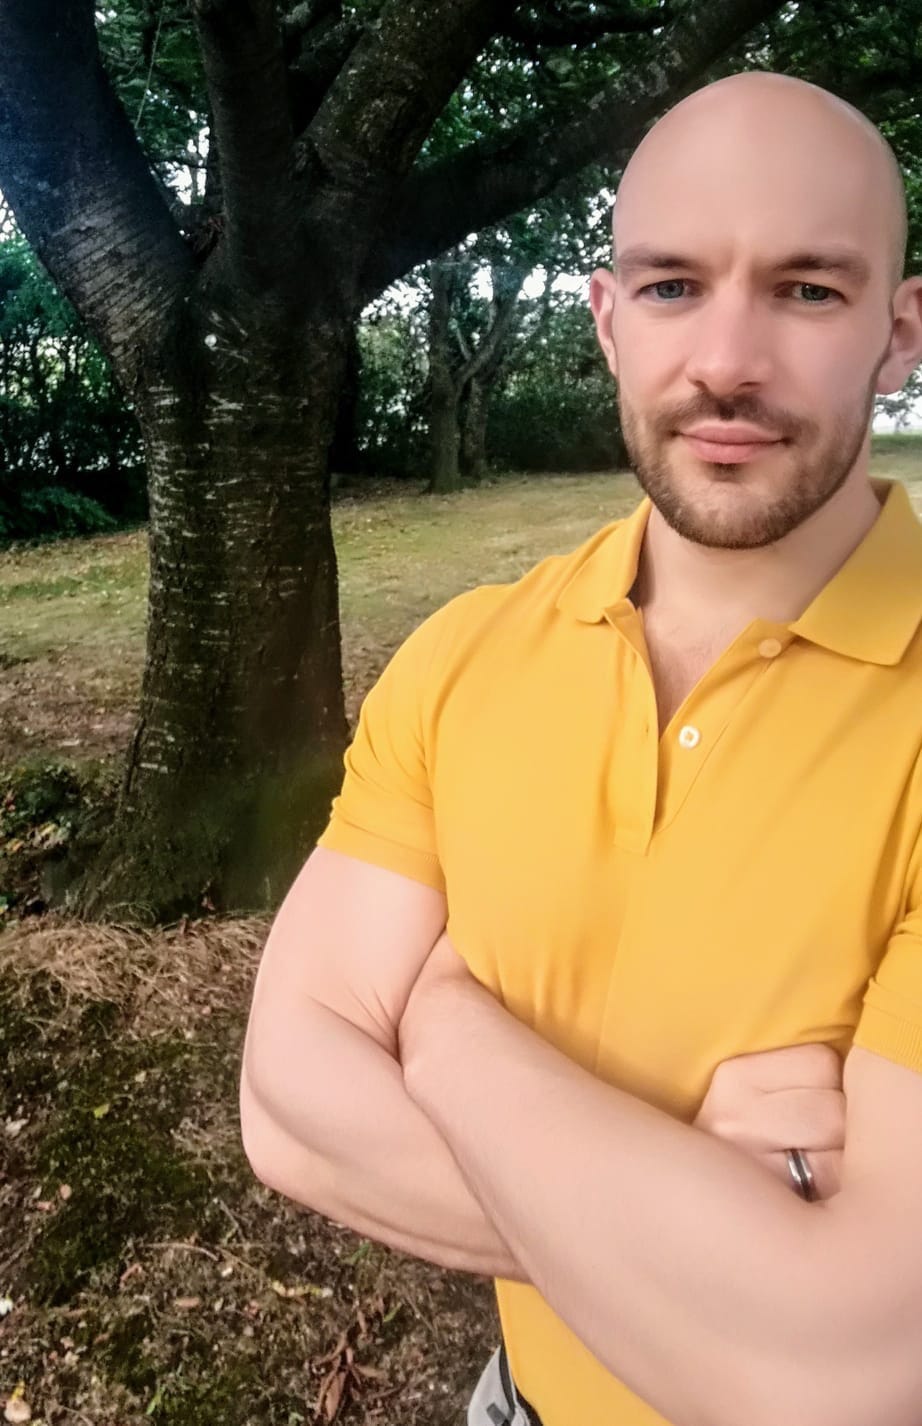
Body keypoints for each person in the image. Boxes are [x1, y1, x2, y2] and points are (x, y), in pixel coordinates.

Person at [240, 70, 922, 1426]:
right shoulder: (464, 657)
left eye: (804, 289)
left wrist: (441, 1027)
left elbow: (853, 1364)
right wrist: (721, 1228)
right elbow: (288, 1103)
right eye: (671, 285)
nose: (725, 358)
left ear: (898, 334)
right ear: (607, 322)